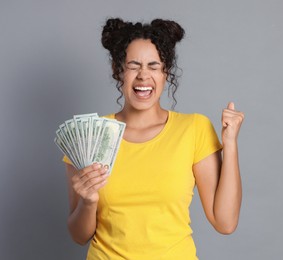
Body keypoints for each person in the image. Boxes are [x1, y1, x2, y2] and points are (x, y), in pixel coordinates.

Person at [63, 17, 244, 259]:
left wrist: (230, 144)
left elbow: (225, 223)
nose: (143, 75)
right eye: (133, 65)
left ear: (165, 72)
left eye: (154, 66)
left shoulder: (194, 129)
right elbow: (78, 235)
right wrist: (88, 202)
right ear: (118, 71)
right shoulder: (90, 136)